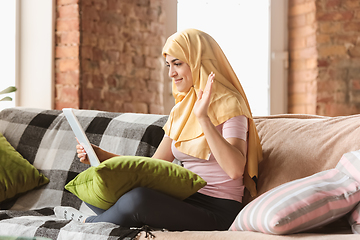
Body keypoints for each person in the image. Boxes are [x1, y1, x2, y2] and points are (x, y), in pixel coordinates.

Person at [54, 28, 262, 231]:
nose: (171, 73)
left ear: (198, 61)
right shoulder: (181, 108)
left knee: (138, 200)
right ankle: (121, 216)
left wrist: (203, 118)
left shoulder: (231, 103)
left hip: (218, 209)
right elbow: (155, 166)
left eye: (178, 64)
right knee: (101, 190)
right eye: (168, 65)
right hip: (185, 199)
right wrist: (100, 155)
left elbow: (235, 169)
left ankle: (87, 224)